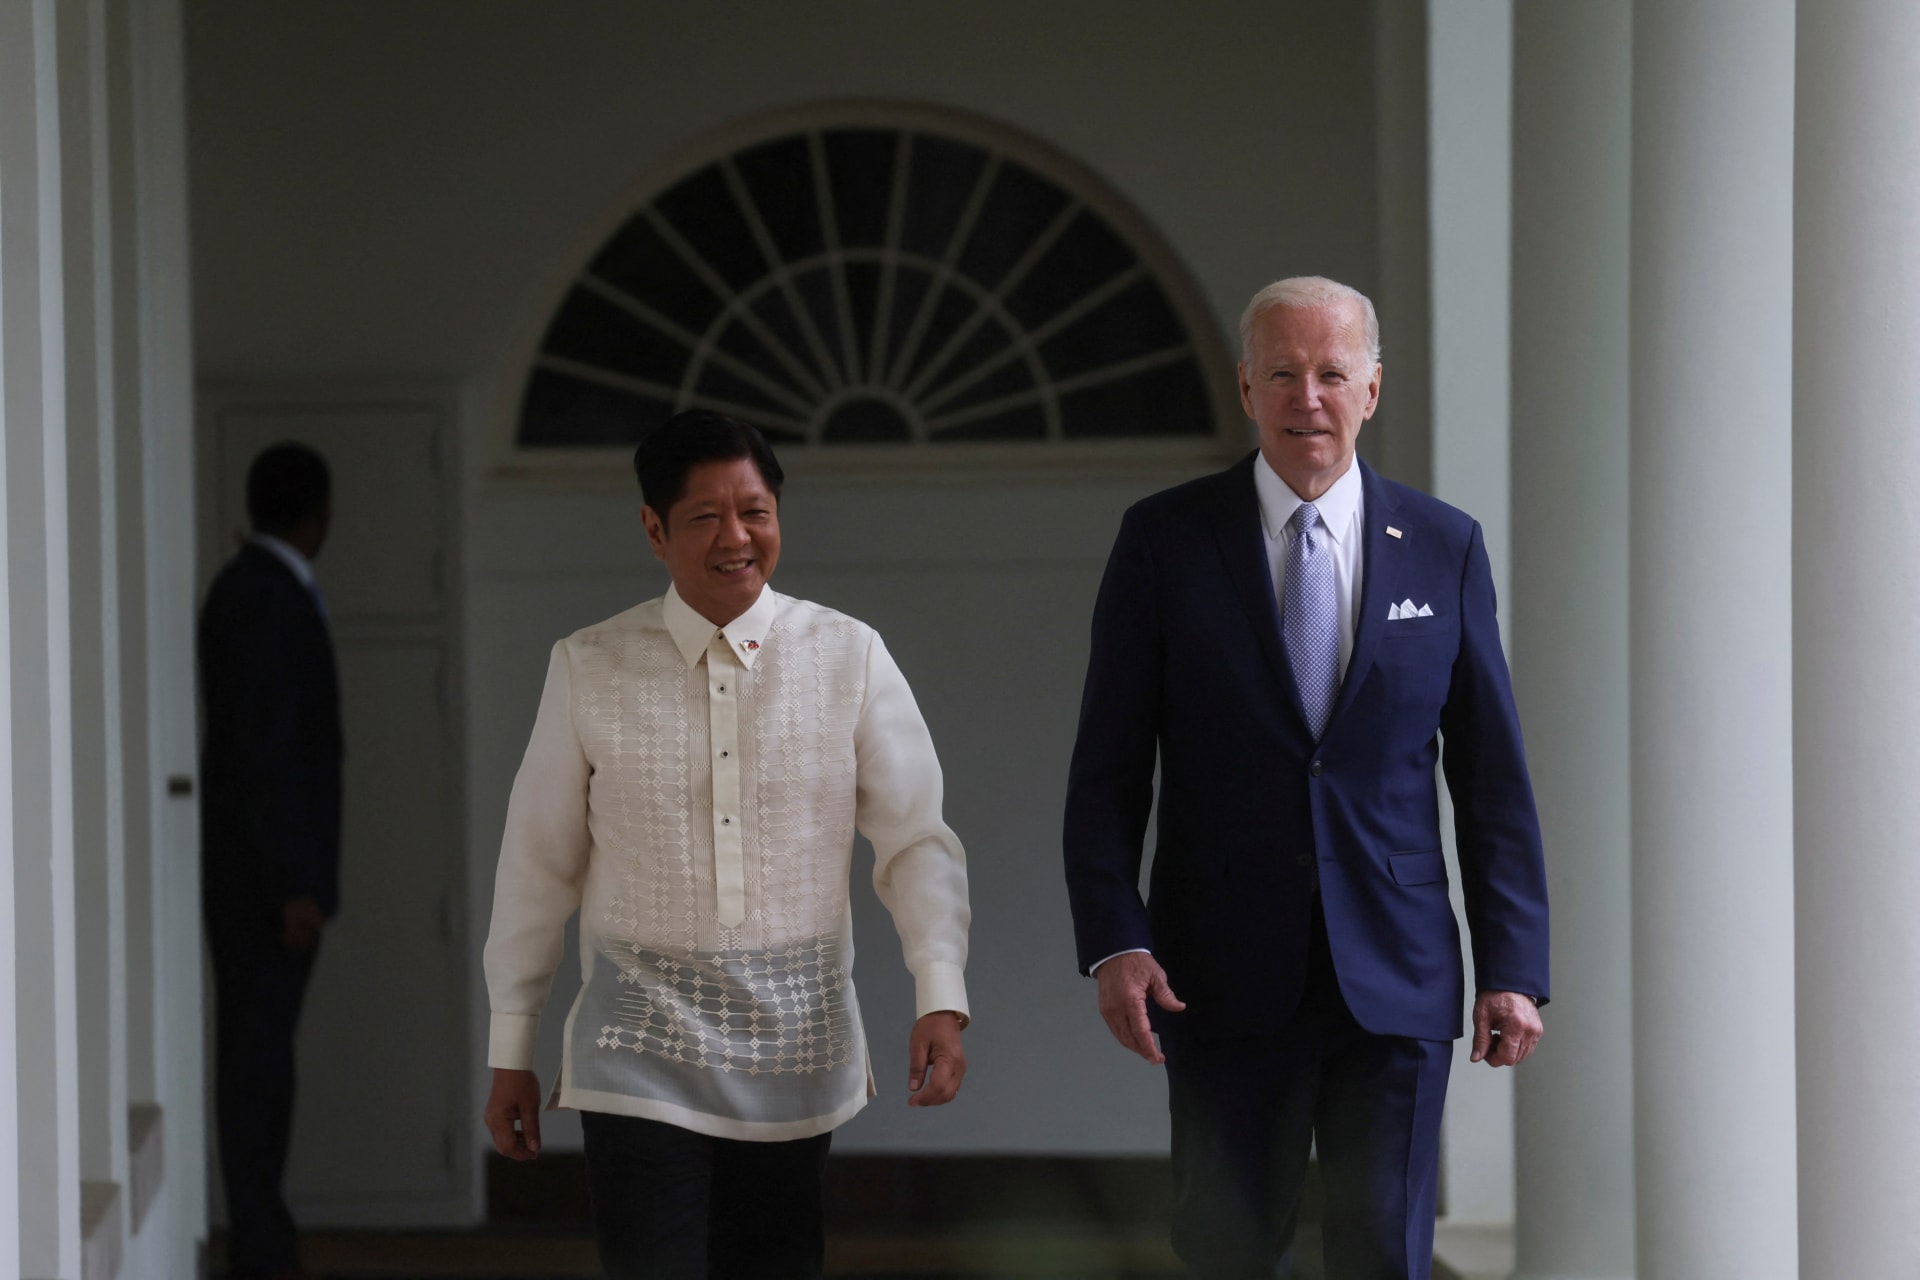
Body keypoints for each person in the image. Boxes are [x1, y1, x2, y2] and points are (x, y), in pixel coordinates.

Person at [1063, 277, 1550, 1279]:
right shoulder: (1164, 539)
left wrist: (1514, 961)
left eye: (1333, 372)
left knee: (1385, 1248)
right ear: (1246, 388)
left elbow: (1492, 774)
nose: (1309, 396)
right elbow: (1107, 767)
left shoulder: (1446, 546)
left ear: (1373, 388)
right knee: (1230, 1249)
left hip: (1400, 967)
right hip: (1217, 971)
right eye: (1283, 372)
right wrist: (1116, 935)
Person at [482, 409, 971, 1280]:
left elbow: (915, 839)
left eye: (756, 510)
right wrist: (510, 1045)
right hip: (634, 1052)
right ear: (654, 529)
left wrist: (940, 991)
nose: (735, 536)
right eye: (705, 516)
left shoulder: (849, 656)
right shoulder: (587, 664)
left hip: (795, 1055)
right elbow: (536, 865)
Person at [200, 442, 342, 1280]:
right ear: (317, 511)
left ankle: (263, 1226)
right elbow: (270, 752)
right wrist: (294, 882)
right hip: (262, 885)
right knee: (258, 1061)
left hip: (255, 877)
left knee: (260, 1058)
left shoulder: (252, 589)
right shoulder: (265, 598)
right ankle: (260, 1237)